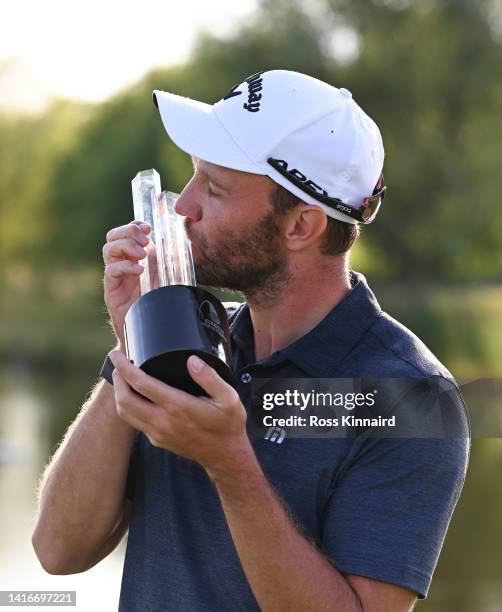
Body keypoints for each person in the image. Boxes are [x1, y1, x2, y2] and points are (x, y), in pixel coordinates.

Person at [32, 70, 469, 611]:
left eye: (214, 188)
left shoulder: (410, 398)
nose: (183, 207)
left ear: (301, 227)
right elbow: (58, 549)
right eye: (193, 178)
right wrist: (134, 341)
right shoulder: (190, 337)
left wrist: (229, 463)